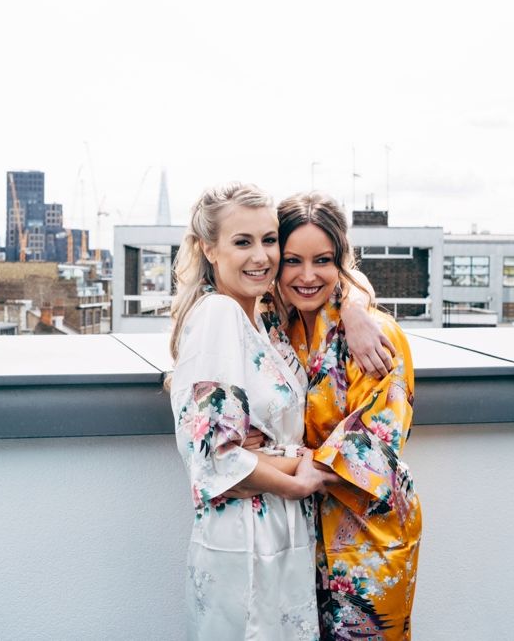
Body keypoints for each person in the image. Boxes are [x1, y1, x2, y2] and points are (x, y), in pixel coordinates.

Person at [169, 182, 338, 640]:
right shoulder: (218, 316)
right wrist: (298, 478)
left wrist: (358, 311)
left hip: (278, 531)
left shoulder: (262, 321)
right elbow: (216, 460)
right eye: (242, 242)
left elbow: (333, 274)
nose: (261, 256)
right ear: (209, 249)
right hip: (244, 538)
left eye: (269, 240)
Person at [258, 192, 422, 640]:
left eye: (323, 260)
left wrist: (263, 463)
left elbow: (377, 441)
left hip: (369, 538)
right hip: (297, 535)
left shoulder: (375, 333)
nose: (308, 276)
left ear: (341, 262)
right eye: (293, 260)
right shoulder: (274, 325)